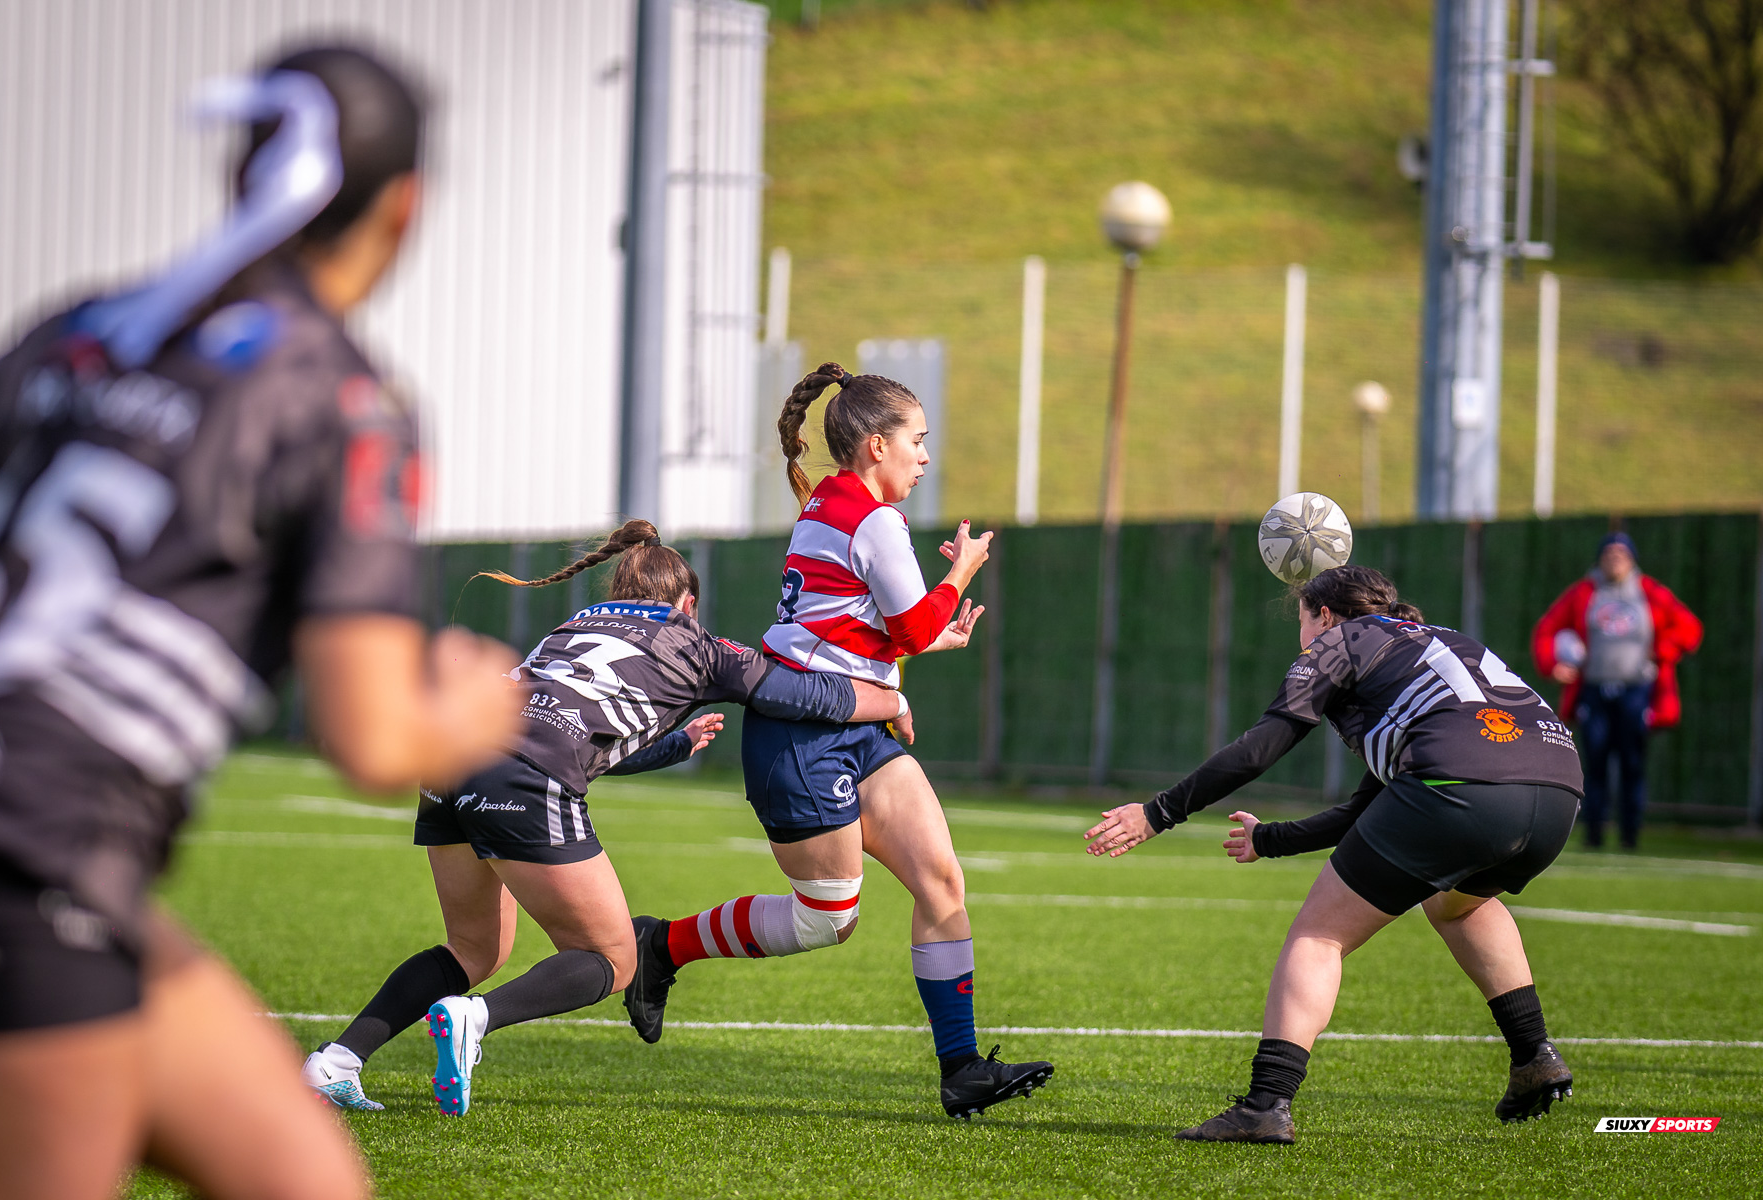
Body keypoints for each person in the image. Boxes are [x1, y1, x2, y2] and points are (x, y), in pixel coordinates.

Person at [0, 47, 521, 1200]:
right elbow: (370, 738)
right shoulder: (345, 401)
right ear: (404, 205)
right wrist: (465, 714)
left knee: (299, 1176)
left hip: (37, 847)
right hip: (18, 865)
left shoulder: (85, 329)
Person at [300, 520, 916, 1116]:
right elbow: (798, 695)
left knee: (473, 947)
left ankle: (335, 1063)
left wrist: (675, 745)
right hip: (525, 774)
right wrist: (892, 698)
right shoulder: (693, 640)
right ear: (688, 601)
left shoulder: (572, 626)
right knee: (615, 958)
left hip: (452, 761)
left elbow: (580, 732)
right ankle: (474, 1018)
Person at [623, 361, 1054, 1121]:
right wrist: (964, 575)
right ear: (877, 446)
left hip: (854, 725)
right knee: (829, 918)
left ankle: (961, 1071)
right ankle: (661, 947)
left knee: (942, 881)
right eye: (918, 441)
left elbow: (849, 627)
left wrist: (895, 681)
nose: (926, 456)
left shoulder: (832, 497)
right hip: (801, 736)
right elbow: (911, 625)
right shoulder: (872, 518)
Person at [1087, 565, 1584, 1144]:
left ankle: (1266, 1104)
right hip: (1558, 792)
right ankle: (1534, 1056)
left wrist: (1158, 812)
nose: (1301, 634)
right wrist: (1271, 839)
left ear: (1324, 615)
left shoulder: (1339, 643)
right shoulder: (1439, 643)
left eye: (1301, 618)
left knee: (1319, 937)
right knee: (1457, 905)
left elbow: (1258, 748)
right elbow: (1370, 808)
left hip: (1460, 786)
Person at [1532, 532, 1702, 850]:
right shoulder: (1584, 592)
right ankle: (1593, 835)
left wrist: (1660, 651)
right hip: (1594, 691)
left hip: (1636, 691)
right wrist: (1552, 664)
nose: (1614, 558)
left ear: (1632, 558)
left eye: (1621, 553)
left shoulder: (1649, 592)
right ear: (1599, 558)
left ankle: (1630, 836)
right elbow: (1546, 630)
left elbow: (1689, 628)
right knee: (1593, 764)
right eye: (1608, 552)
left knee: (1632, 765)